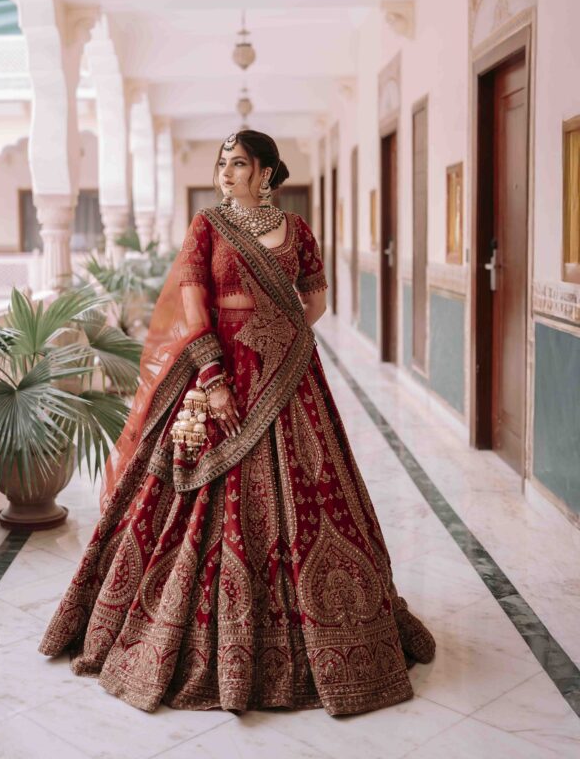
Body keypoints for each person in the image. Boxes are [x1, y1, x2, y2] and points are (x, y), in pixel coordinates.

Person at [39, 129, 435, 715]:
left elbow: (316, 300)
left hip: (288, 375)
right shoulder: (207, 225)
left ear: (266, 173)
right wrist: (214, 378)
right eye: (223, 162)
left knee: (314, 491)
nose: (226, 172)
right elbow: (193, 304)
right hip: (218, 370)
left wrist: (277, 337)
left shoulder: (297, 230)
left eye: (240, 164)